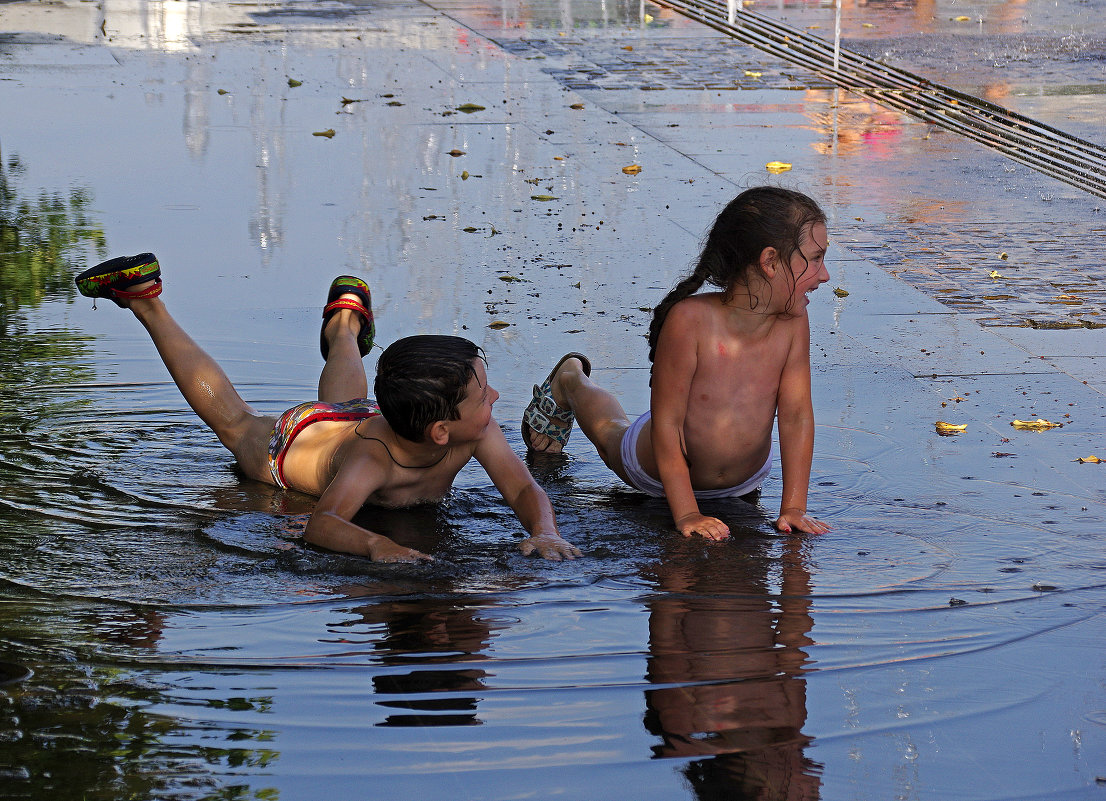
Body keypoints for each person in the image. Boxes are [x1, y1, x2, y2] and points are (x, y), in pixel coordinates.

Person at [74, 254, 581, 563]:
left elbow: (521, 488)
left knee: (347, 404)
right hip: (295, 443)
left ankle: (344, 325)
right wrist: (376, 545)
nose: (495, 398)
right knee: (231, 419)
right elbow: (323, 524)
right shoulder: (372, 460)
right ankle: (146, 302)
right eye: (484, 393)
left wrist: (544, 532)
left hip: (360, 417)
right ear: (442, 431)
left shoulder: (472, 429)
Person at [522, 186, 832, 540]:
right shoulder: (690, 321)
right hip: (657, 468)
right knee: (611, 433)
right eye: (816, 258)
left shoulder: (792, 323)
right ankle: (571, 380)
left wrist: (794, 507)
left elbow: (795, 415)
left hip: (744, 480)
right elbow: (667, 425)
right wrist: (686, 513)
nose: (824, 275)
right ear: (771, 261)